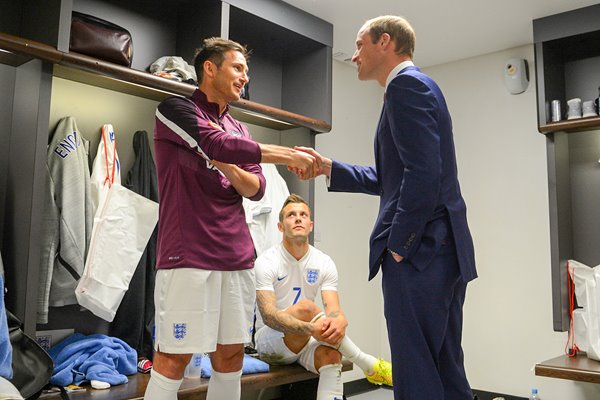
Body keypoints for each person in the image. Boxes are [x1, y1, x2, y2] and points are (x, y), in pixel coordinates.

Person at [294, 16, 477, 400]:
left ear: (385, 42)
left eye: (360, 45)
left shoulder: (405, 87)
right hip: (441, 251)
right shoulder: (420, 86)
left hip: (420, 253)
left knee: (415, 369)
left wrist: (399, 244)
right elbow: (395, 176)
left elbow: (424, 173)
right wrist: (330, 168)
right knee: (443, 365)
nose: (355, 55)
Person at [144, 37, 318, 400]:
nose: (244, 77)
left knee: (230, 355)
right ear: (210, 68)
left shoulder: (240, 128)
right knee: (173, 358)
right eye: (238, 68)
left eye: (246, 71)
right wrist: (287, 154)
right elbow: (218, 144)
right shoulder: (174, 110)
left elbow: (254, 187)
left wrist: (221, 159)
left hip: (237, 258)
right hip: (187, 256)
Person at [254, 194, 392, 400]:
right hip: (271, 341)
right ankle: (367, 363)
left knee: (332, 356)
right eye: (291, 215)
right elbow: (269, 316)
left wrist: (339, 322)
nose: (298, 218)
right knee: (307, 308)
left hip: (306, 338)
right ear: (280, 226)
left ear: (311, 225)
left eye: (303, 215)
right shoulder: (267, 261)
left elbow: (334, 311)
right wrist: (311, 328)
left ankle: (364, 369)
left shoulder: (323, 262)